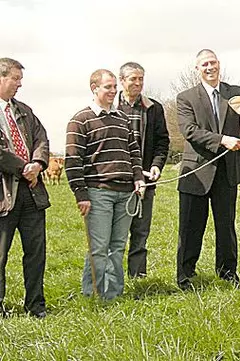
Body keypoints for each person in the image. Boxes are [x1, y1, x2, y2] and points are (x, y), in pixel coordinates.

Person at [65, 69, 146, 300]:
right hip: (98, 193)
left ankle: (113, 295)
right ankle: (93, 296)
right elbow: (72, 161)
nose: (113, 91)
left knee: (118, 247)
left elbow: (134, 153)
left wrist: (138, 178)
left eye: (114, 87)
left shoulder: (122, 118)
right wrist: (81, 194)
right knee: (98, 249)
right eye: (108, 87)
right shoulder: (80, 120)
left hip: (126, 193)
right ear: (94, 88)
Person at [175, 49, 240, 290]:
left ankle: (228, 273)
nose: (210, 67)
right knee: (190, 227)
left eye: (213, 63)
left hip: (228, 171)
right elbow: (190, 130)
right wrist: (222, 140)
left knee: (226, 225)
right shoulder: (186, 98)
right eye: (204, 64)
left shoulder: (234, 93)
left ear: (219, 64)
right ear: (197, 69)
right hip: (195, 173)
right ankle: (186, 276)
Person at [0, 58, 50, 318]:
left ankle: (36, 306)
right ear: (1, 77)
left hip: (32, 194)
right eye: (15, 79)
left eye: (21, 79)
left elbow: (42, 138)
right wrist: (24, 167)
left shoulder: (25, 110)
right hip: (3, 197)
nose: (20, 84)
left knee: (36, 253)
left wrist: (39, 163)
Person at [115, 62, 170, 279]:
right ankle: (113, 277)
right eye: (132, 79)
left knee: (140, 231)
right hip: (116, 180)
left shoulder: (153, 108)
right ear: (122, 81)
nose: (137, 83)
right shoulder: (111, 107)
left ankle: (137, 276)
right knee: (115, 234)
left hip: (145, 180)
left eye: (140, 79)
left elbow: (162, 142)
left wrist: (156, 165)